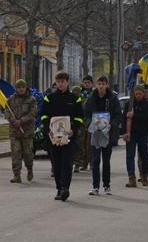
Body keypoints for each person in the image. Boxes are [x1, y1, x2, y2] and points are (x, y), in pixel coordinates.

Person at [41, 72, 85, 202]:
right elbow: (43, 116)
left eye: (63, 81)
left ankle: (65, 188)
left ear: (67, 82)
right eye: (58, 81)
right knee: (56, 163)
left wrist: (74, 129)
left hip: (69, 137)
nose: (60, 84)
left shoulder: (75, 99)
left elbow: (79, 116)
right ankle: (59, 188)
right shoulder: (49, 98)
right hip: (53, 137)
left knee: (67, 162)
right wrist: (48, 128)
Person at [85, 75, 121, 195]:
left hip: (108, 133)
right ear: (96, 85)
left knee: (106, 161)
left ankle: (107, 185)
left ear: (107, 85)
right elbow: (86, 114)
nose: (101, 86)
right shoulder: (91, 98)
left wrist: (112, 124)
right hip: (95, 133)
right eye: (99, 84)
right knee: (95, 161)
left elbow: (117, 115)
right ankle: (95, 186)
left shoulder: (113, 98)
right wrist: (90, 123)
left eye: (103, 84)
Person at [4, 79, 38, 184]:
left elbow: (33, 113)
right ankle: (16, 175)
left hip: (27, 132)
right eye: (19, 87)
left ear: (26, 87)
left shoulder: (31, 99)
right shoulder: (11, 99)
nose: (21, 89)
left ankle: (29, 169)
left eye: (22, 87)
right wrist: (13, 120)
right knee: (15, 153)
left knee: (28, 154)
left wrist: (22, 120)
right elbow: (7, 111)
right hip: (14, 132)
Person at [123, 85, 148, 187]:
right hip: (131, 134)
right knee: (129, 156)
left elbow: (147, 117)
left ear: (143, 93)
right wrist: (124, 132)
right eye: (136, 94)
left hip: (143, 134)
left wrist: (134, 116)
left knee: (144, 156)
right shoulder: (129, 104)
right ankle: (131, 178)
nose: (138, 96)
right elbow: (124, 118)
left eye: (139, 93)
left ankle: (144, 176)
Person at [75, 75, 95, 173]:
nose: (86, 84)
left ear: (92, 83)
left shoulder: (94, 94)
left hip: (92, 121)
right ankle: (80, 163)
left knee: (90, 144)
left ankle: (91, 163)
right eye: (85, 82)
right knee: (80, 143)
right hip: (81, 121)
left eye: (88, 82)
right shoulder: (79, 94)